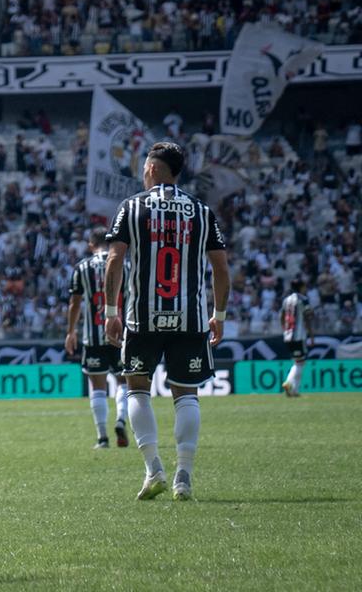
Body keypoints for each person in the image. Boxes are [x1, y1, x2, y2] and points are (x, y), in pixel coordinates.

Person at [104, 142, 230, 502]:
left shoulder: (132, 207)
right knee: (186, 394)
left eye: (145, 166)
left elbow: (115, 260)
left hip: (142, 317)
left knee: (137, 388)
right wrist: (218, 315)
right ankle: (184, 476)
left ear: (154, 169)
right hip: (189, 318)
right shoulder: (201, 211)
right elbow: (221, 268)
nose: (142, 172)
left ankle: (153, 469)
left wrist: (111, 312)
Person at [64, 227, 129, 449]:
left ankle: (102, 438)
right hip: (121, 334)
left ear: (91, 245)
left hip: (93, 337)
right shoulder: (126, 265)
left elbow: (75, 303)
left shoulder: (82, 267)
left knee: (98, 387)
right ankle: (121, 419)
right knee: (124, 382)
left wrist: (71, 331)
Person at [280, 280, 314, 397]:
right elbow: (308, 317)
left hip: (288, 335)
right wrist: (312, 335)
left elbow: (281, 316)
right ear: (301, 287)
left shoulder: (286, 300)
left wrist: (285, 330)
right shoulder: (303, 299)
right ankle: (289, 383)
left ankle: (294, 390)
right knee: (300, 363)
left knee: (298, 361)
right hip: (299, 336)